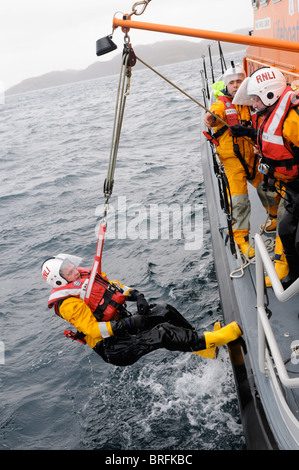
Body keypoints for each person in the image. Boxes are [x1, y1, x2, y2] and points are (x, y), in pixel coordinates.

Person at [41, 254, 243, 366]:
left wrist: (136, 295)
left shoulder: (84, 276)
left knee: (164, 310)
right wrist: (127, 323)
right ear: (59, 280)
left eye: (71, 267)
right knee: (162, 333)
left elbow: (113, 286)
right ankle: (215, 339)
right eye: (69, 271)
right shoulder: (68, 304)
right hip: (114, 346)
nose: (75, 271)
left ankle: (202, 346)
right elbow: (93, 330)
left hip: (124, 325)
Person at [232, 65, 299, 288]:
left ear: (270, 94)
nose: (254, 104)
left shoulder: (292, 119)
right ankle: (294, 275)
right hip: (292, 188)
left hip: (296, 185)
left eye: (256, 99)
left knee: (292, 234)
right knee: (286, 231)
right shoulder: (272, 114)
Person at [204, 64, 279, 259]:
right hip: (232, 162)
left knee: (268, 188)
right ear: (226, 86)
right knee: (239, 201)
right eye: (232, 82)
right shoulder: (221, 105)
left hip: (253, 157)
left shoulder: (253, 102)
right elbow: (214, 113)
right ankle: (241, 240)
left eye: (239, 81)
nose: (236, 85)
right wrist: (210, 118)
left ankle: (274, 217)